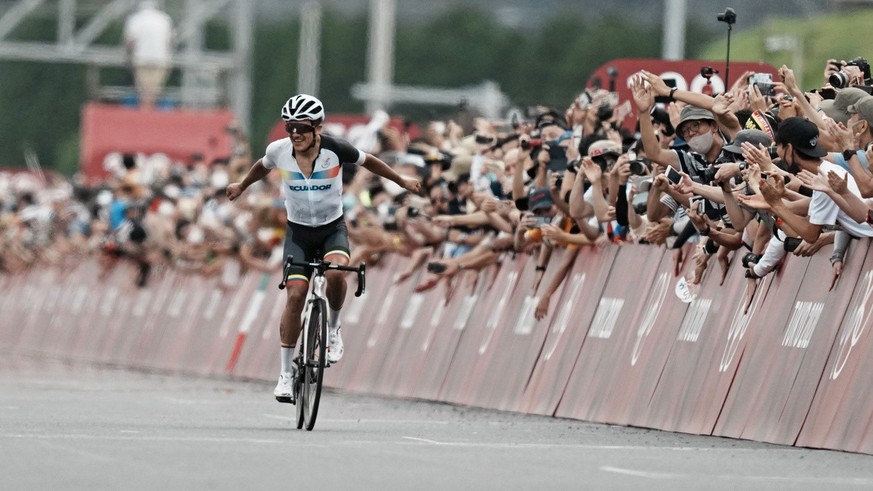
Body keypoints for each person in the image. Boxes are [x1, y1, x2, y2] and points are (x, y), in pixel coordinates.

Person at [225, 94, 421, 403]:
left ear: (317, 128)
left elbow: (370, 161)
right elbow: (260, 168)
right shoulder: (279, 151)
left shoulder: (335, 149)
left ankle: (332, 330)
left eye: (301, 128)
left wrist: (401, 180)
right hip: (299, 234)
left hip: (332, 230)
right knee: (295, 297)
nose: (295, 134)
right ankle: (286, 375)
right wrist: (241, 186)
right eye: (290, 127)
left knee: (334, 276)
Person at [123, 1, 173, 109]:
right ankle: (153, 112)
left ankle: (144, 111)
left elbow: (129, 42)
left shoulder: (135, 19)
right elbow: (169, 42)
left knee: (143, 90)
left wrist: (128, 58)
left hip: (141, 59)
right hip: (160, 59)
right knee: (155, 90)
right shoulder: (164, 19)